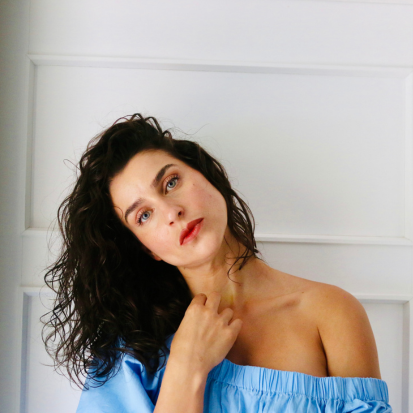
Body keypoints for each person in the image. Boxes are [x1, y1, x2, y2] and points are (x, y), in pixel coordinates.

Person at [42, 113, 392, 412]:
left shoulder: (331, 313)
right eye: (144, 215)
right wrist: (185, 367)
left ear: (207, 175)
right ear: (147, 249)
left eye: (171, 182)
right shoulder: (132, 355)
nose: (171, 212)